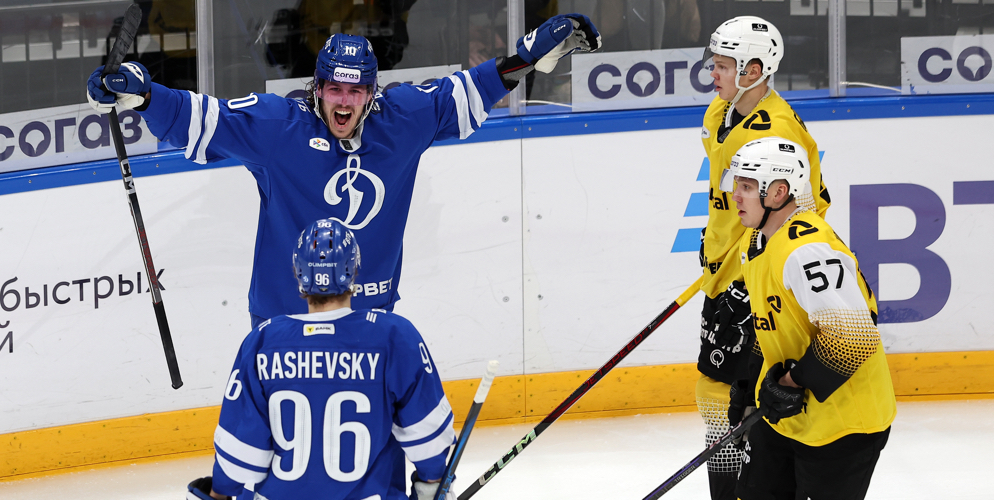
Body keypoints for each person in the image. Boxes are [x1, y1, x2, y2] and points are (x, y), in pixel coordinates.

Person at [87, 16, 601, 330]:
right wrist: (144, 96)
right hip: (284, 322)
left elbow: (465, 90)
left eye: (356, 91)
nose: (344, 100)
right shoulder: (277, 127)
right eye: (335, 88)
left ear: (372, 94)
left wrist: (528, 59)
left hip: (369, 319)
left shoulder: (401, 120)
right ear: (318, 88)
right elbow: (201, 119)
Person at [185, 219, 459, 500]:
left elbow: (240, 452)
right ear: (354, 270)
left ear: (297, 272)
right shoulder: (394, 336)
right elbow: (428, 436)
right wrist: (431, 485)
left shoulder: (263, 341)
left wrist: (216, 495)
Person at [694, 15, 831, 500]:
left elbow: (809, 208)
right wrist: (715, 257)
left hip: (753, 280)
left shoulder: (778, 131)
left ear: (754, 70)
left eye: (724, 65)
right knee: (717, 390)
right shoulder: (721, 110)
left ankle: (745, 489)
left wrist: (750, 276)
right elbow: (723, 198)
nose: (713, 72)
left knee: (741, 396)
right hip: (723, 273)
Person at [722, 137, 896, 500]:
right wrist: (751, 383)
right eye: (736, 184)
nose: (734, 195)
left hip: (843, 425)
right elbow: (770, 320)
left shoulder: (806, 251)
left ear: (778, 192)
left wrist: (789, 381)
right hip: (788, 416)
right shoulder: (756, 242)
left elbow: (853, 338)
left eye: (747, 186)